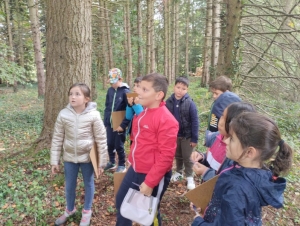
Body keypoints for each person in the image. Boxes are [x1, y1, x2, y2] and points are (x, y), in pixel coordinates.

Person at [191, 112, 293, 225]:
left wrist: (198, 222)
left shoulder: (237, 190)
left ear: (249, 152)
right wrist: (208, 207)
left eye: (232, 139)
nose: (226, 141)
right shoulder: (252, 172)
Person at [115, 73, 179, 226]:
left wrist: (150, 182)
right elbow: (139, 142)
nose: (138, 92)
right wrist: (131, 161)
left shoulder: (167, 120)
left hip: (152, 175)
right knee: (121, 202)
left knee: (147, 215)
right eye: (139, 88)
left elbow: (166, 156)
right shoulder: (143, 112)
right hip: (135, 169)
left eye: (145, 90)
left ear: (159, 95)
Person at [50, 83, 107, 226]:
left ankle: (87, 211)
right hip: (69, 157)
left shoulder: (94, 115)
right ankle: (70, 209)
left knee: (88, 183)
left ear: (86, 98)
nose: (73, 97)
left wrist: (101, 163)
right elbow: (57, 138)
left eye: (77, 94)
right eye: (71, 94)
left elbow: (101, 139)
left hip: (88, 158)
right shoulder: (63, 114)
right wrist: (54, 161)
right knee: (69, 185)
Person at [191, 102, 256, 182]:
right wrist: (202, 157)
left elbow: (227, 179)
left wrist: (206, 172)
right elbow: (212, 159)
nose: (220, 122)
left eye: (226, 120)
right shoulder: (216, 137)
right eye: (222, 116)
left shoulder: (235, 153)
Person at [166, 76, 199, 190]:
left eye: (183, 88)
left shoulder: (190, 103)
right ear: (174, 87)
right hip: (174, 135)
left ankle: (190, 176)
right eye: (178, 87)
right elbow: (165, 118)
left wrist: (194, 138)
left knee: (188, 156)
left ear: (187, 90)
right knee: (178, 155)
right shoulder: (169, 102)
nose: (180, 90)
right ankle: (179, 172)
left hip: (187, 135)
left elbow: (195, 121)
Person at [103, 68, 130, 172]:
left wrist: (124, 124)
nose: (112, 84)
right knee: (109, 143)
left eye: (114, 82)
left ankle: (122, 164)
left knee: (119, 144)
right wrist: (106, 121)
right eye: (110, 82)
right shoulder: (110, 91)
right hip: (110, 123)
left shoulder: (126, 91)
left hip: (120, 123)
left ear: (120, 79)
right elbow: (107, 106)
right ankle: (112, 161)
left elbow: (129, 110)